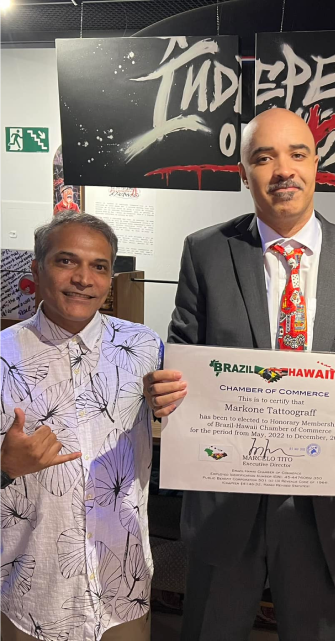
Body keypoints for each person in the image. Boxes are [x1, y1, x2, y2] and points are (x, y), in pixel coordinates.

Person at [144, 108, 335, 641]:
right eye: (264, 157)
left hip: (325, 504)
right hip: (226, 496)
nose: (283, 169)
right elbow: (183, 352)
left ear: (316, 164)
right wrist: (166, 386)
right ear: (244, 173)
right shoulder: (206, 251)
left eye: (297, 154)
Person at [0, 211, 161, 641]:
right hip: (32, 594)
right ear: (37, 269)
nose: (83, 279)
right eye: (66, 261)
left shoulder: (144, 346)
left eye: (99, 266)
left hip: (122, 586)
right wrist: (5, 467)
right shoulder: (2, 357)